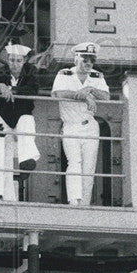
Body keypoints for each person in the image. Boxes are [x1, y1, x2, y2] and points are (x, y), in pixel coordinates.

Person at [0, 43, 41, 202]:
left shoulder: (30, 73)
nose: (14, 64)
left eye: (18, 61)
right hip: (4, 118)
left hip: (21, 116)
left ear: (24, 60)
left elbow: (33, 90)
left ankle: (26, 160)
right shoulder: (1, 74)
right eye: (12, 60)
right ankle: (8, 198)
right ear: (8, 60)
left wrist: (11, 90)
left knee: (27, 122)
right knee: (4, 157)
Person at [51, 41, 110, 205]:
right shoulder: (64, 74)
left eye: (92, 60)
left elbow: (106, 96)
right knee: (74, 163)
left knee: (88, 168)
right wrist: (81, 95)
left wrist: (90, 90)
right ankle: (74, 201)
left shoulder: (96, 76)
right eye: (85, 59)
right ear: (76, 59)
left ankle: (84, 203)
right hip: (71, 126)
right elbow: (57, 94)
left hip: (90, 127)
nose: (89, 63)